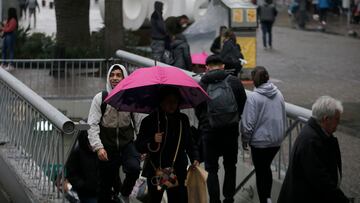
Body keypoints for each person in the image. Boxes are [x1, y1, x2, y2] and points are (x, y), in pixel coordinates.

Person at [277, 96, 351, 203]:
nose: (338, 124)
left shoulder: (315, 135)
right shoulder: (310, 141)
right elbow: (321, 180)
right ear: (326, 119)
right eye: (337, 120)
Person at [195, 55, 247, 203]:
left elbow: (198, 109)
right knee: (230, 166)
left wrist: (206, 122)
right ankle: (229, 198)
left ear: (207, 67)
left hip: (209, 132)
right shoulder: (234, 82)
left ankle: (215, 201)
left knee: (212, 169)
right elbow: (242, 104)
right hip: (230, 131)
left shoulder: (202, 84)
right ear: (223, 66)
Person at [135, 86, 200, 203]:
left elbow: (189, 142)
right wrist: (153, 140)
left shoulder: (182, 119)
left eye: (175, 101)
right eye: (168, 101)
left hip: (177, 169)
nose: (172, 105)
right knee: (155, 199)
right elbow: (139, 145)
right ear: (161, 102)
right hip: (157, 170)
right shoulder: (150, 121)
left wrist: (195, 157)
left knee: (179, 199)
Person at [87, 64, 141, 203]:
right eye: (112, 75)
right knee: (105, 186)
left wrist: (141, 146)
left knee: (134, 169)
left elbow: (138, 122)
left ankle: (124, 193)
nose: (115, 78)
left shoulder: (131, 97)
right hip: (107, 146)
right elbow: (92, 125)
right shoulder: (101, 98)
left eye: (118, 75)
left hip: (126, 143)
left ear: (124, 77)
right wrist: (98, 147)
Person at [241, 66, 286, 203]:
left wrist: (245, 139)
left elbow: (248, 124)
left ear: (254, 80)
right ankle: (267, 198)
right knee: (265, 168)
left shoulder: (254, 97)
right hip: (276, 141)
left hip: (260, 142)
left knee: (261, 172)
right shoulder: (278, 94)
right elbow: (283, 115)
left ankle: (265, 199)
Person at [65, 130, 99, 203]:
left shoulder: (100, 152)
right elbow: (71, 174)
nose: (92, 144)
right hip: (85, 193)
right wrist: (84, 186)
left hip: (101, 192)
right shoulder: (76, 153)